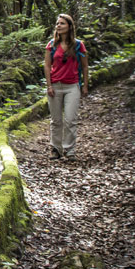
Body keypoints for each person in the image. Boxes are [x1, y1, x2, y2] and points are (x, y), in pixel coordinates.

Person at [44, 14, 89, 160]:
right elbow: (47, 65)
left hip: (72, 86)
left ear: (69, 26)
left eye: (62, 23)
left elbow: (85, 66)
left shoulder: (78, 45)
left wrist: (85, 85)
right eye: (57, 23)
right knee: (56, 120)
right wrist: (49, 85)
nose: (58, 26)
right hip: (55, 86)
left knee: (70, 119)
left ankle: (69, 150)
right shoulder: (51, 45)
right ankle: (55, 149)